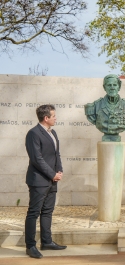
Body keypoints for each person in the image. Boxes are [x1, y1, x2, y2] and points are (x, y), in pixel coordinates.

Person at [24, 105, 67, 259]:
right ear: (46, 118)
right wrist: (52, 174)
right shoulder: (33, 133)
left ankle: (46, 241)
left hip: (52, 179)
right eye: (53, 116)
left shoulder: (53, 132)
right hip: (39, 180)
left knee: (48, 211)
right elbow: (36, 159)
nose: (56, 118)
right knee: (33, 213)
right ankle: (30, 246)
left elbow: (56, 154)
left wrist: (59, 171)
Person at [85, 74, 125, 142]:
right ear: (104, 87)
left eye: (115, 85)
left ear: (119, 87)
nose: (112, 87)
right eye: (109, 85)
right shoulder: (94, 106)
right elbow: (92, 119)